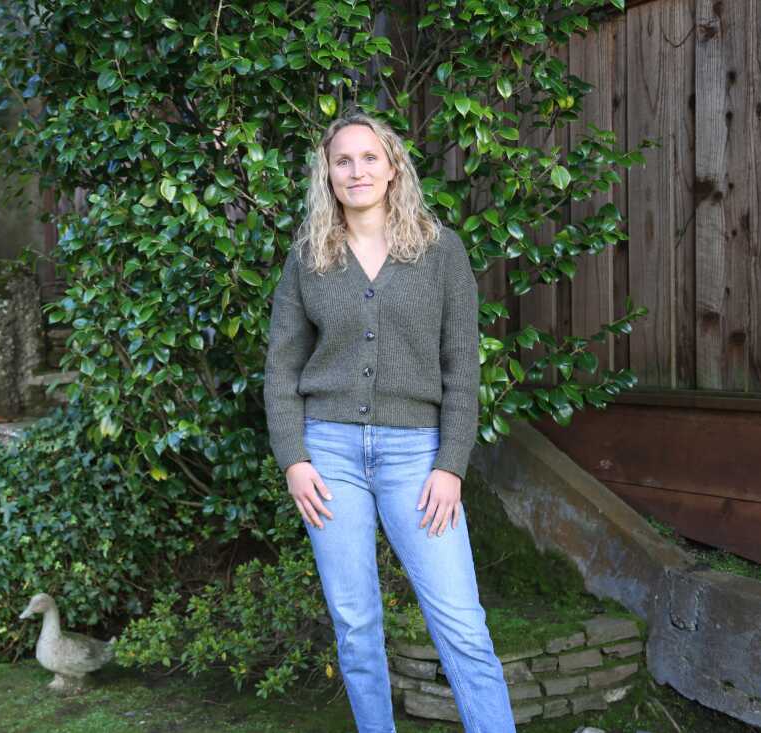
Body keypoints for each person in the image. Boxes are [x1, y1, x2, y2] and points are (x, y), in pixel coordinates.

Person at [263, 111, 517, 733]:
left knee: (461, 622)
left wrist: (450, 466)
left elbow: (462, 367)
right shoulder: (308, 257)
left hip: (416, 459)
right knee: (356, 626)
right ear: (327, 173)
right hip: (329, 458)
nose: (357, 170)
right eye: (343, 160)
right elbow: (281, 367)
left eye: (369, 158)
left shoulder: (439, 251)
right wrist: (294, 459)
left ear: (393, 166)